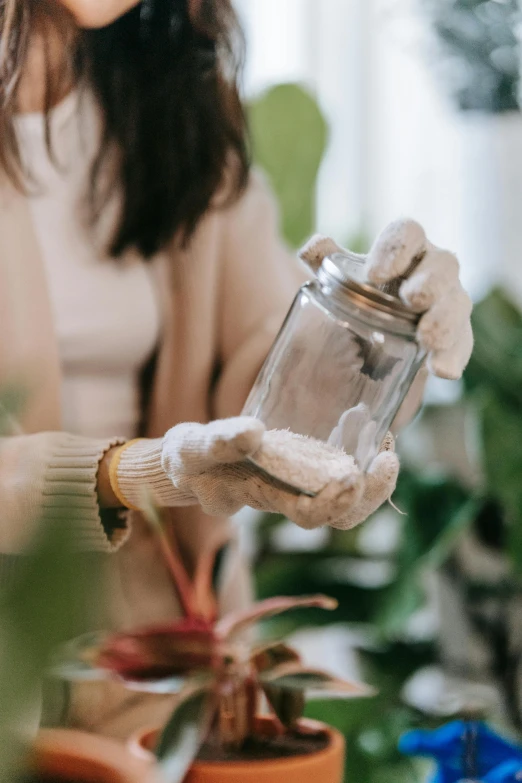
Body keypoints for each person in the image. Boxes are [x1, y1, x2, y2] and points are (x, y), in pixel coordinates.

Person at [0, 0, 473, 739]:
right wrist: (138, 471)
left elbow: (280, 391)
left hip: (169, 667)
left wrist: (386, 325)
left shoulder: (170, 100)